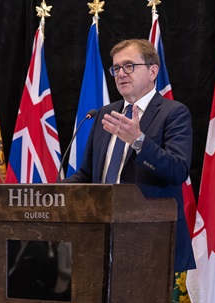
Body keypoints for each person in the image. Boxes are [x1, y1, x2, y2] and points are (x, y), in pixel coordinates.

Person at [64, 38, 195, 273]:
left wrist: (139, 141)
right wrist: (53, 192)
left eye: (129, 66)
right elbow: (87, 175)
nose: (121, 74)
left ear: (153, 71)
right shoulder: (106, 113)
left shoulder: (174, 113)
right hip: (100, 237)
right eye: (116, 68)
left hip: (150, 242)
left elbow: (178, 170)